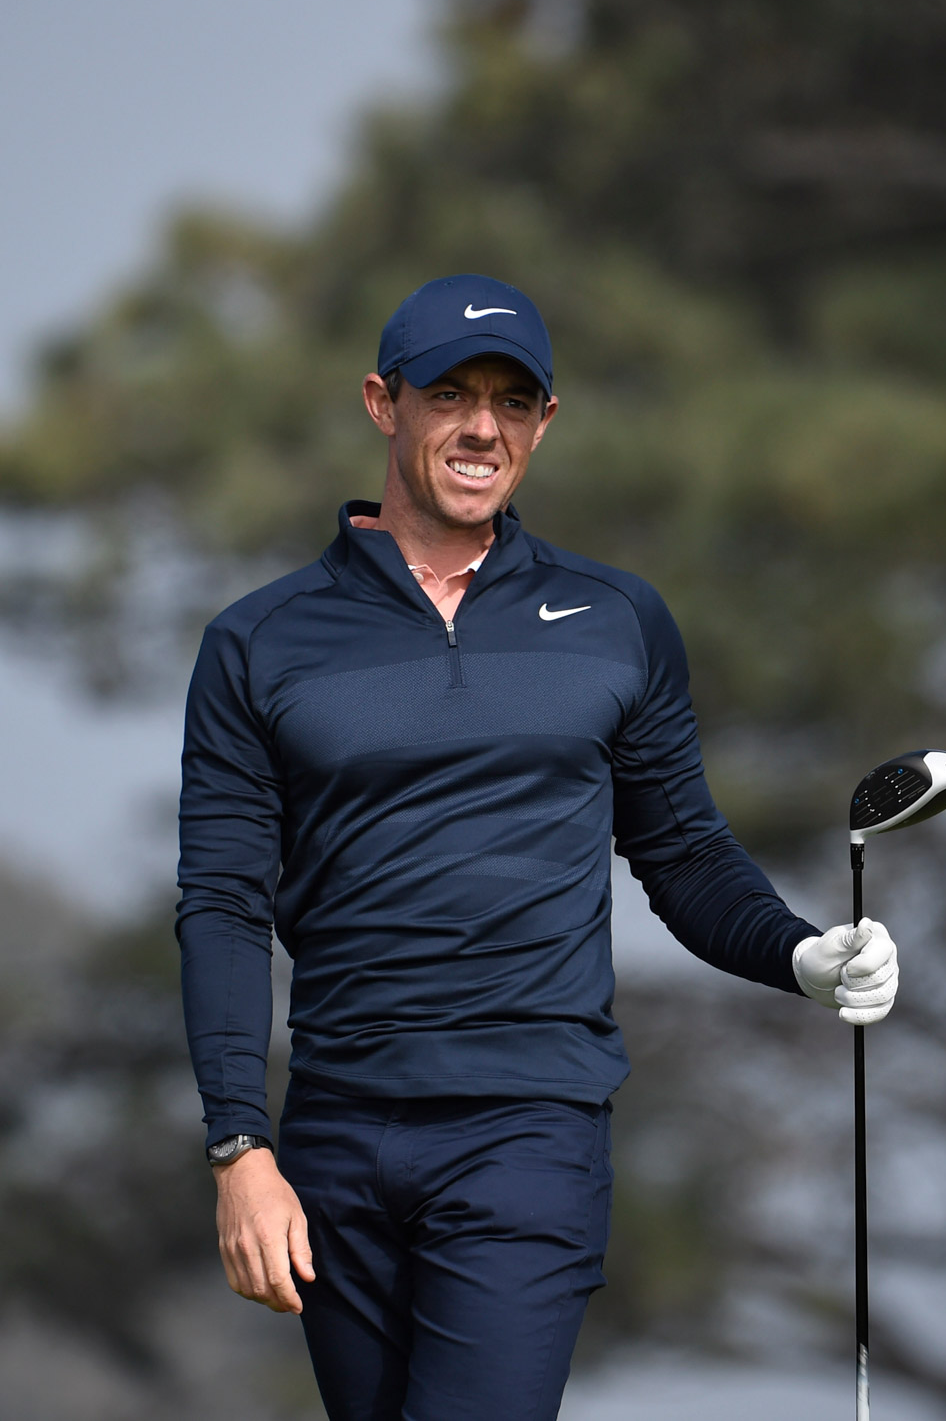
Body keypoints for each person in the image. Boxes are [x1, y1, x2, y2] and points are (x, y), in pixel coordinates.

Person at [176, 273, 898, 1421]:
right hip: (333, 1134)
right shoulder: (258, 642)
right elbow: (220, 904)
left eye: (514, 401)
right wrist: (236, 1149)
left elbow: (683, 854)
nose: (481, 427)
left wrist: (800, 955)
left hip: (528, 1129)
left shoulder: (616, 620)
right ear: (382, 401)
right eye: (450, 394)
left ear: (545, 421)